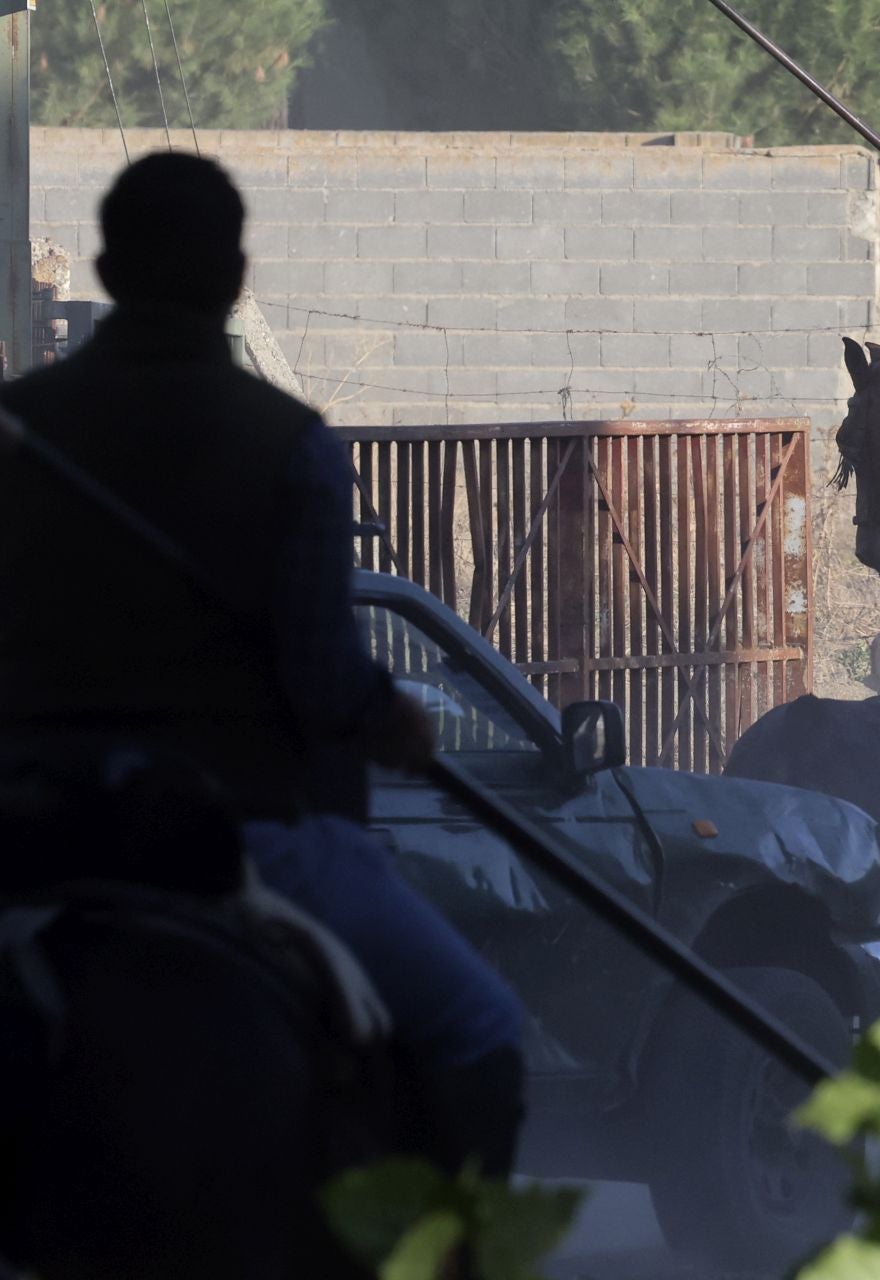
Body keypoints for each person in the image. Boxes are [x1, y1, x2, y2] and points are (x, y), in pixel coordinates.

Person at [0, 152, 525, 1174]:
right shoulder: (288, 443)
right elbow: (324, 675)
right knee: (479, 1029)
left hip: (31, 826)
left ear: (105, 266)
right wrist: (393, 717)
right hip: (246, 835)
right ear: (234, 275)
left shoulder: (24, 433)